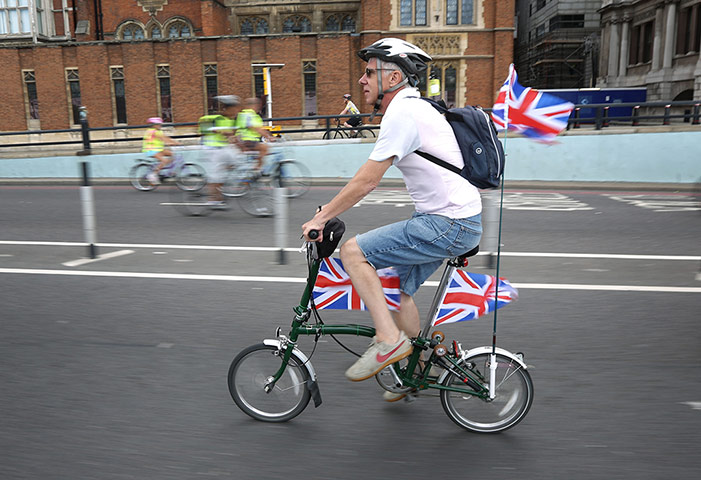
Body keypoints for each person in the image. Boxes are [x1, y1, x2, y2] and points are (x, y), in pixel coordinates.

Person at [302, 38, 483, 401]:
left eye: (370, 72)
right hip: (458, 220)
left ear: (395, 76)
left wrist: (322, 216)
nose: (362, 80)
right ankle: (414, 372)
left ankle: (388, 340)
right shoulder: (415, 109)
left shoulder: (403, 113)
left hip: (447, 223)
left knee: (353, 253)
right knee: (398, 292)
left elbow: (367, 181)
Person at [201, 95, 241, 208]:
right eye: (235, 109)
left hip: (222, 147)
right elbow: (212, 129)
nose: (236, 111)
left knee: (235, 162)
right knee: (215, 175)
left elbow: (233, 136)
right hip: (211, 148)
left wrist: (239, 145)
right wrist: (225, 133)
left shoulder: (232, 120)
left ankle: (220, 189)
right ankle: (212, 199)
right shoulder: (217, 118)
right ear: (228, 108)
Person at [235, 97, 275, 171]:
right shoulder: (249, 115)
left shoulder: (245, 114)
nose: (258, 108)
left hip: (245, 140)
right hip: (247, 140)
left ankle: (255, 166)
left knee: (261, 151)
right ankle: (257, 169)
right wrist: (268, 137)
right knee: (264, 148)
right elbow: (255, 128)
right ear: (253, 106)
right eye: (258, 106)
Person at [142, 117, 180, 184]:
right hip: (151, 150)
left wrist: (175, 142)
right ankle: (153, 174)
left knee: (173, 155)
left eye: (160, 124)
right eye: (158, 124)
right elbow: (163, 139)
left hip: (158, 149)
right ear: (153, 125)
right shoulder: (152, 131)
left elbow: (166, 138)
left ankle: (167, 172)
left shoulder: (158, 131)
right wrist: (172, 143)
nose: (160, 126)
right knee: (164, 160)